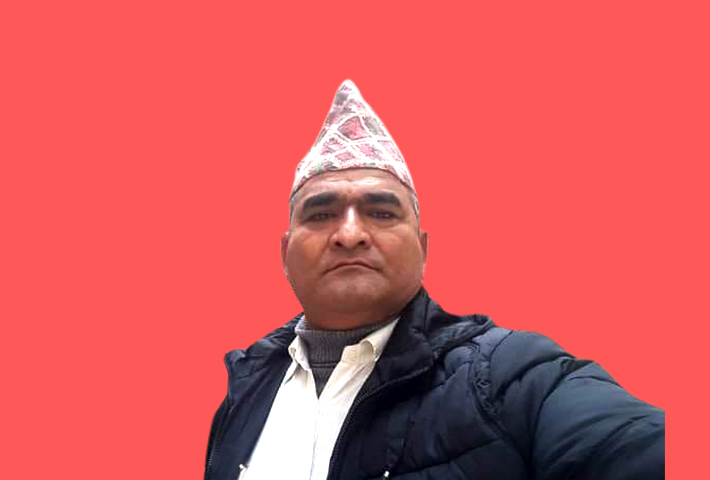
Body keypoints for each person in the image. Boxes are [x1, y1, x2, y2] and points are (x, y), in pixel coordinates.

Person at [204, 80, 665, 480]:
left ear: (423, 248)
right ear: (285, 254)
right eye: (321, 215)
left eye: (381, 213)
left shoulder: (511, 377)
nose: (349, 234)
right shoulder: (247, 387)